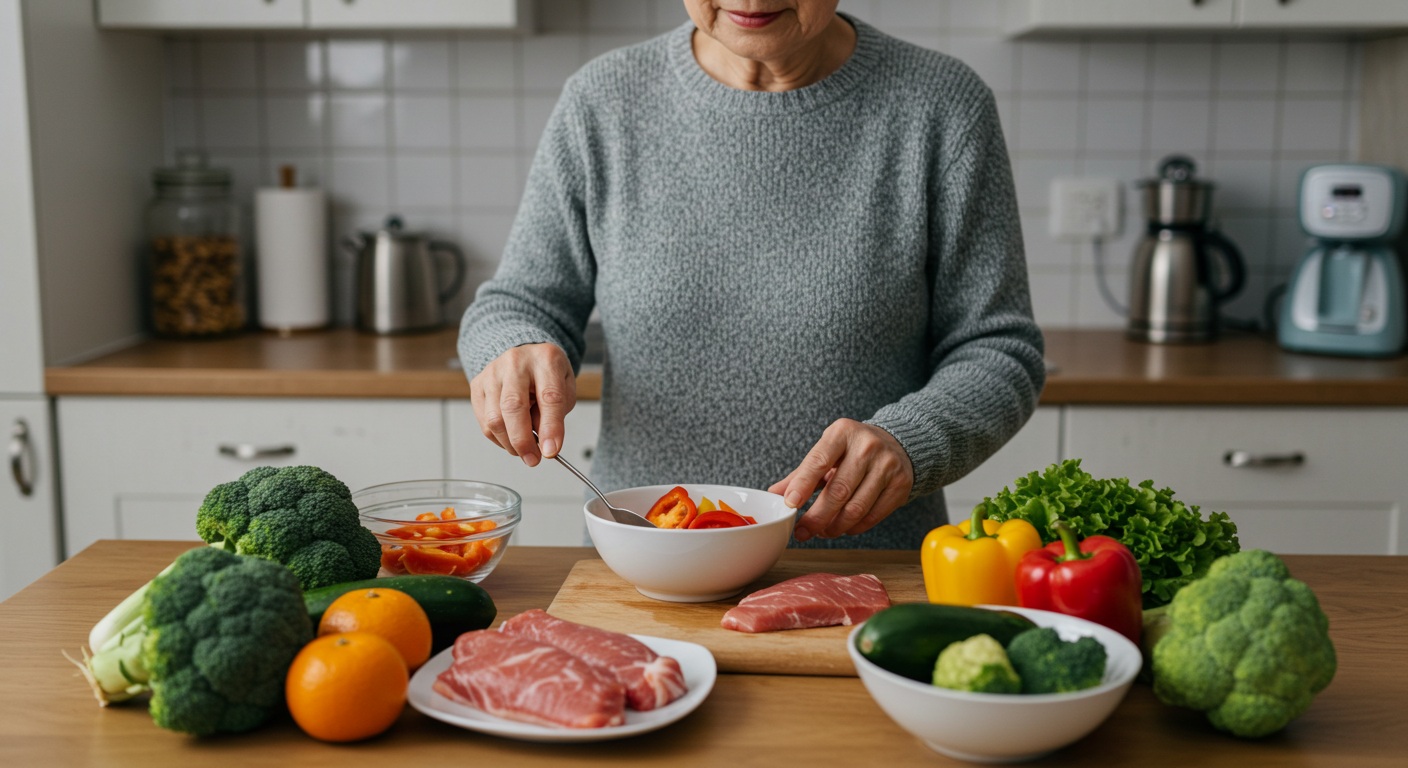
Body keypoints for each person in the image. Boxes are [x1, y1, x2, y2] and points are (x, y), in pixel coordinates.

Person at [458, 1, 1045, 549]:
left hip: (862, 569)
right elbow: (519, 301)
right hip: (644, 561)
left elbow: (998, 347)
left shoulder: (942, 105)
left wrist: (914, 440)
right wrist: (511, 346)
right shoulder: (603, 100)